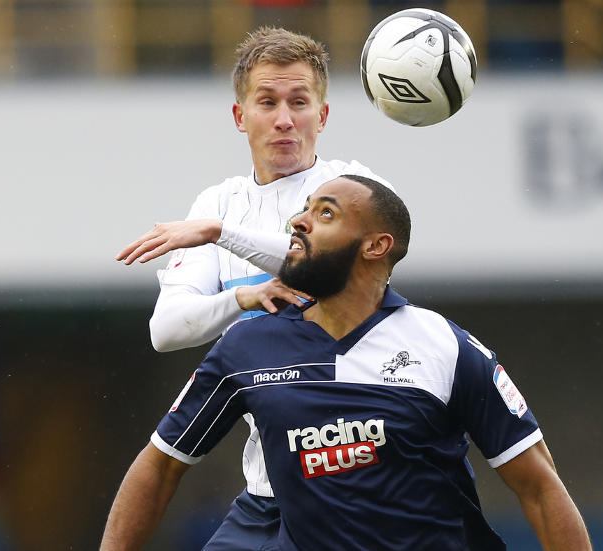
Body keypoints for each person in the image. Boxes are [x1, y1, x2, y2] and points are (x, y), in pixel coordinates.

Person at [101, 175, 593, 550]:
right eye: (303, 210)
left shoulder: (442, 345)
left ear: (376, 245)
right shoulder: (247, 348)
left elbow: (539, 487)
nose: (299, 221)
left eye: (325, 213)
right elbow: (160, 466)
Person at [115, 27, 390, 549]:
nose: (284, 119)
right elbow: (166, 330)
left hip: (358, 482)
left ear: (323, 115)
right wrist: (241, 296)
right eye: (267, 102)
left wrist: (221, 234)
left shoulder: (357, 189)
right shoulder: (216, 203)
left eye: (299, 102)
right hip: (267, 491)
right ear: (240, 116)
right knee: (161, 460)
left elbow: (323, 261)